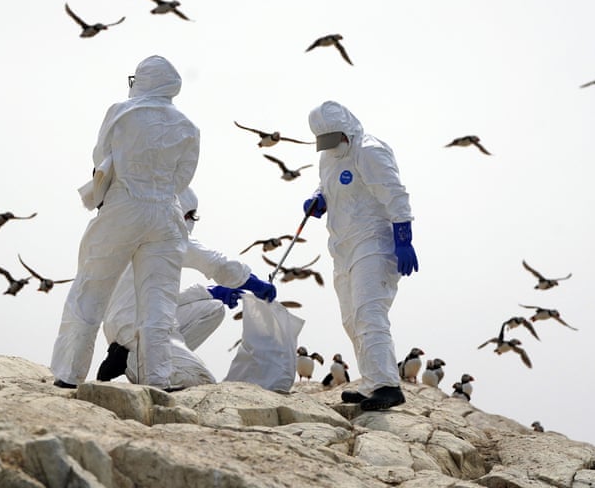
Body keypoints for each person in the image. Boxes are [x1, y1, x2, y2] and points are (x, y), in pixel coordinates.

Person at [50, 55, 200, 391]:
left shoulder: (121, 112)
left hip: (123, 206)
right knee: (159, 298)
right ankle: (158, 378)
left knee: (92, 288)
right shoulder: (188, 126)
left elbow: (100, 155)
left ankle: (69, 374)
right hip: (165, 213)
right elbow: (184, 177)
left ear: (143, 79)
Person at [302, 100, 418, 411]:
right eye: (322, 142)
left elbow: (395, 193)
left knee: (369, 312)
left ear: (347, 131)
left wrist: (403, 239)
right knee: (351, 319)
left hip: (375, 243)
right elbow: (327, 185)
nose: (328, 147)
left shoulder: (369, 150)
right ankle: (371, 383)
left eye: (332, 139)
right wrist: (318, 198)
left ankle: (387, 385)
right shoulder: (329, 157)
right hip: (343, 248)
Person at [97, 187, 277, 388]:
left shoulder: (139, 231)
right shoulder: (167, 234)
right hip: (133, 329)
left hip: (134, 319)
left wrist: (211, 292)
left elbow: (163, 301)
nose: (191, 222)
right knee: (202, 381)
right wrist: (254, 283)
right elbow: (219, 265)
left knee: (213, 307)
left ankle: (158, 359)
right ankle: (133, 361)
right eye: (190, 215)